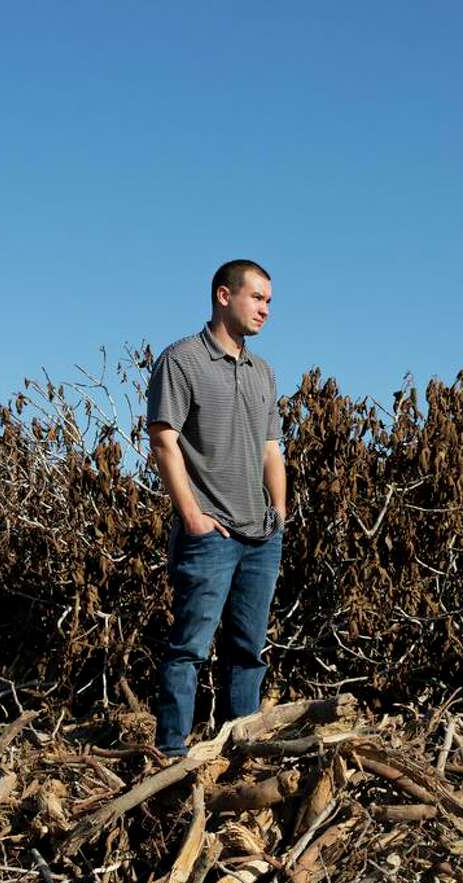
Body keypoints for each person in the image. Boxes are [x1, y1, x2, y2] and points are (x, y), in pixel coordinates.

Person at [145, 259, 287, 756]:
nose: (266, 309)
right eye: (257, 298)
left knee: (247, 653)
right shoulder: (181, 360)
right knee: (189, 650)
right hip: (210, 536)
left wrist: (280, 516)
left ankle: (239, 752)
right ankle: (172, 755)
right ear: (225, 297)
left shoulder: (262, 372)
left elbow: (273, 448)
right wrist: (192, 517)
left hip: (260, 537)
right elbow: (164, 440)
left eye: (269, 300)